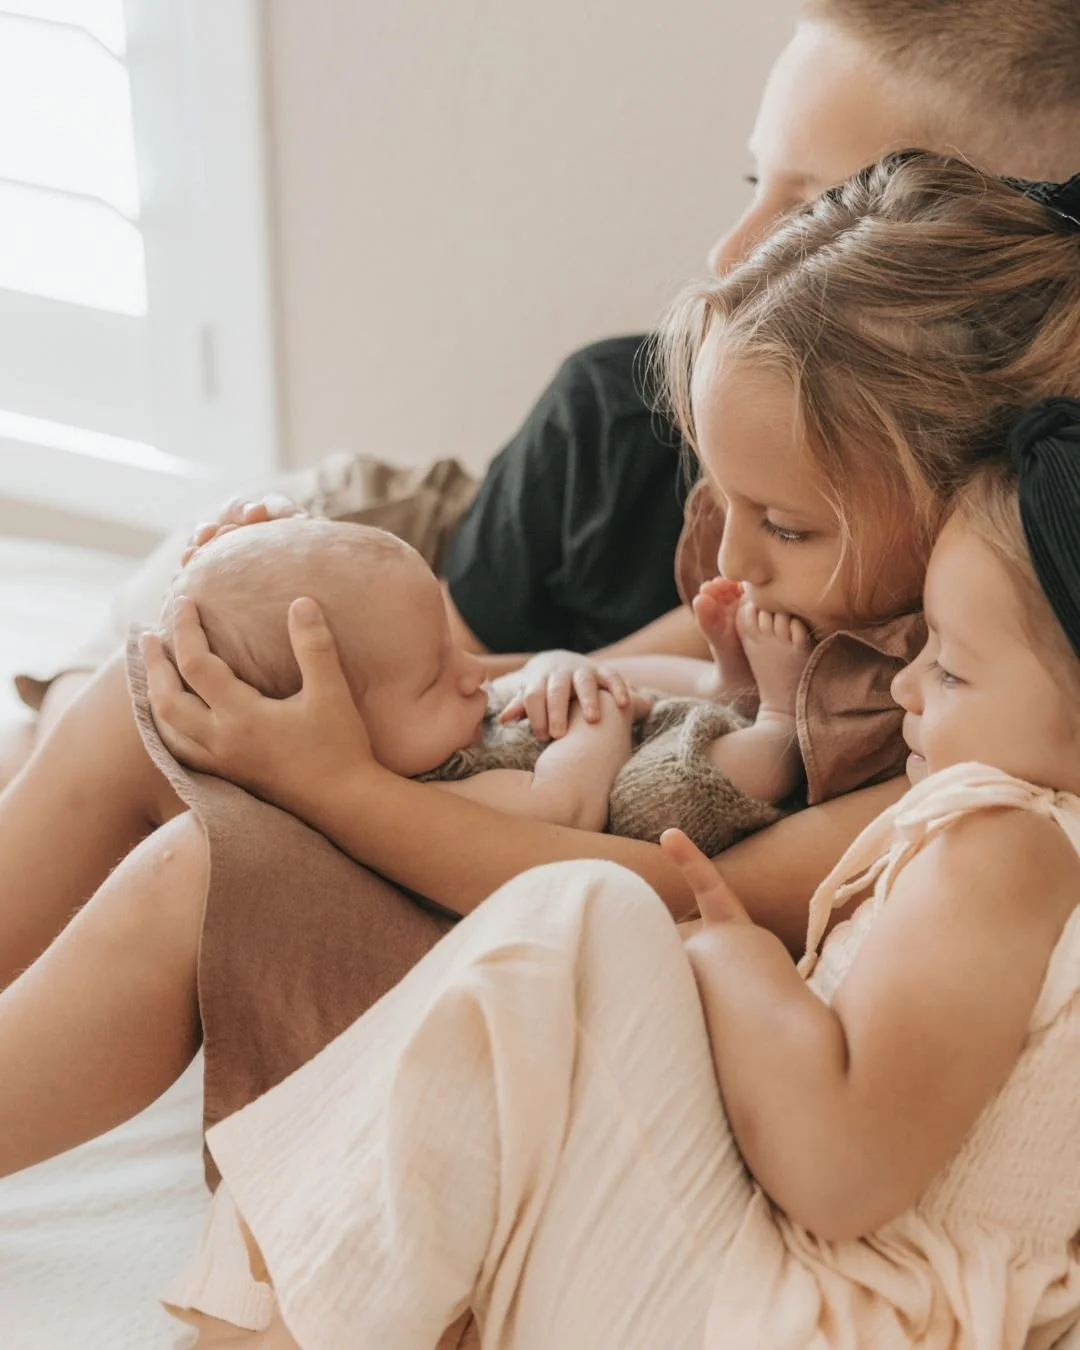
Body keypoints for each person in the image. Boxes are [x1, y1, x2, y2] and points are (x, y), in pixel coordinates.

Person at [3, 154, 1080, 1198]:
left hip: (588, 970)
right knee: (138, 700)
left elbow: (656, 899)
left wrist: (339, 788)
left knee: (197, 875)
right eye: (726, 502)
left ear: (960, 496)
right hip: (517, 849)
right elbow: (550, 692)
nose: (737, 561)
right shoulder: (795, 592)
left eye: (787, 526)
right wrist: (291, 640)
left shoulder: (971, 732)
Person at [164, 398, 1080, 1350]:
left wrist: (732, 958)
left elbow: (841, 1175)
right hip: (824, 1291)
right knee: (574, 946)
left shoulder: (1003, 840)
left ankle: (269, 1330)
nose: (902, 686)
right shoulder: (1022, 842)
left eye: (953, 671)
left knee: (578, 919)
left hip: (825, 1312)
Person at [2, 0, 1078, 788]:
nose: (728, 252)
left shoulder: (1000, 560)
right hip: (423, 561)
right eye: (757, 187)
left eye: (812, 218)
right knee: (94, 718)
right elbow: (448, 691)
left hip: (502, 647)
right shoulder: (622, 422)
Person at [161, 514, 807, 848]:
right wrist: (596, 716)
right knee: (662, 791)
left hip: (599, 732)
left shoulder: (434, 725)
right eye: (434, 678)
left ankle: (726, 683)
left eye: (448, 650)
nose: (473, 671)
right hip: (611, 784)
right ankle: (779, 724)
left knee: (590, 675)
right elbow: (569, 807)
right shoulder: (426, 796)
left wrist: (559, 666)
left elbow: (528, 680)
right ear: (340, 732)